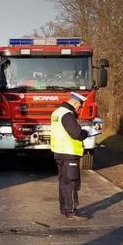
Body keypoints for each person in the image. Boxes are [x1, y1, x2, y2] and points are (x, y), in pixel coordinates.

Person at [50, 92, 98, 220]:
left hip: (59, 152)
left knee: (63, 182)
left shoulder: (57, 112)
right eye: (80, 106)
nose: (79, 109)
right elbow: (76, 133)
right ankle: (71, 211)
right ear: (75, 103)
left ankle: (64, 208)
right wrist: (87, 133)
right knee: (71, 182)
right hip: (69, 152)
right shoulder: (67, 115)